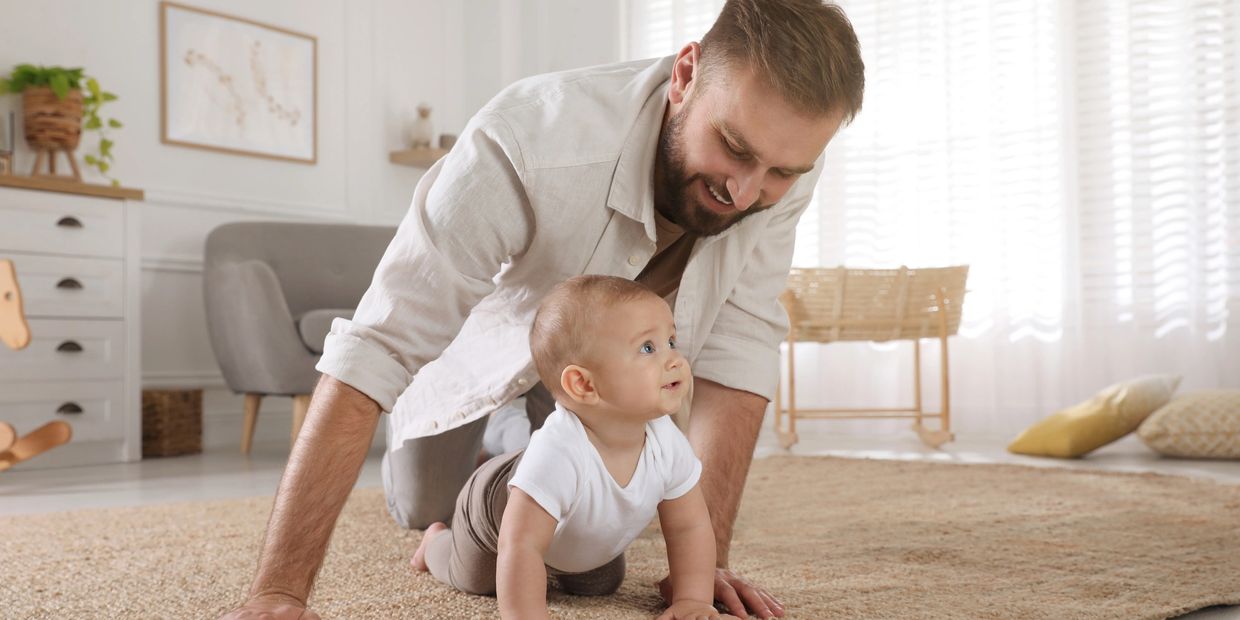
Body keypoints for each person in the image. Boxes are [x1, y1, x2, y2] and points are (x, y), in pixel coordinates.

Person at [222, 1, 863, 618]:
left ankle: (533, 436)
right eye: (733, 147)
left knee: (604, 530)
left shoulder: (785, 160)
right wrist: (280, 593)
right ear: (686, 75)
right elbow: (377, 347)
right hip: (480, 353)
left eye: (781, 171)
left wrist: (704, 567)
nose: (746, 191)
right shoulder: (527, 141)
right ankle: (500, 436)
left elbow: (739, 344)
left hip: (610, 371)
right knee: (426, 506)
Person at [410, 275, 731, 620]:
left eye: (671, 340)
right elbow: (520, 545)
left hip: (577, 536)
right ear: (583, 384)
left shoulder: (666, 441)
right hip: (492, 512)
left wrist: (693, 600)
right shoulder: (558, 454)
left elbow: (689, 527)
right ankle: (435, 543)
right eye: (648, 348)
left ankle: (556, 554)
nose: (674, 359)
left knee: (602, 583)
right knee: (476, 578)